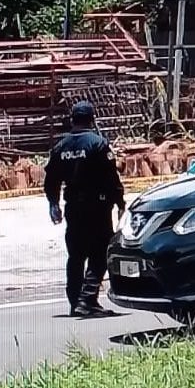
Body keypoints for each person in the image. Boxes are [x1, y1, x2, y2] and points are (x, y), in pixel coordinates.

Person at [44, 101, 125, 318]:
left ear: (72, 120)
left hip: (73, 208)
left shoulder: (60, 147)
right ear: (92, 119)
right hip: (97, 207)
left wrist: (53, 203)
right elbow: (111, 176)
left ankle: (75, 302)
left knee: (76, 255)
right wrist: (120, 201)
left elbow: (51, 179)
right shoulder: (98, 144)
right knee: (101, 254)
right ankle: (87, 299)